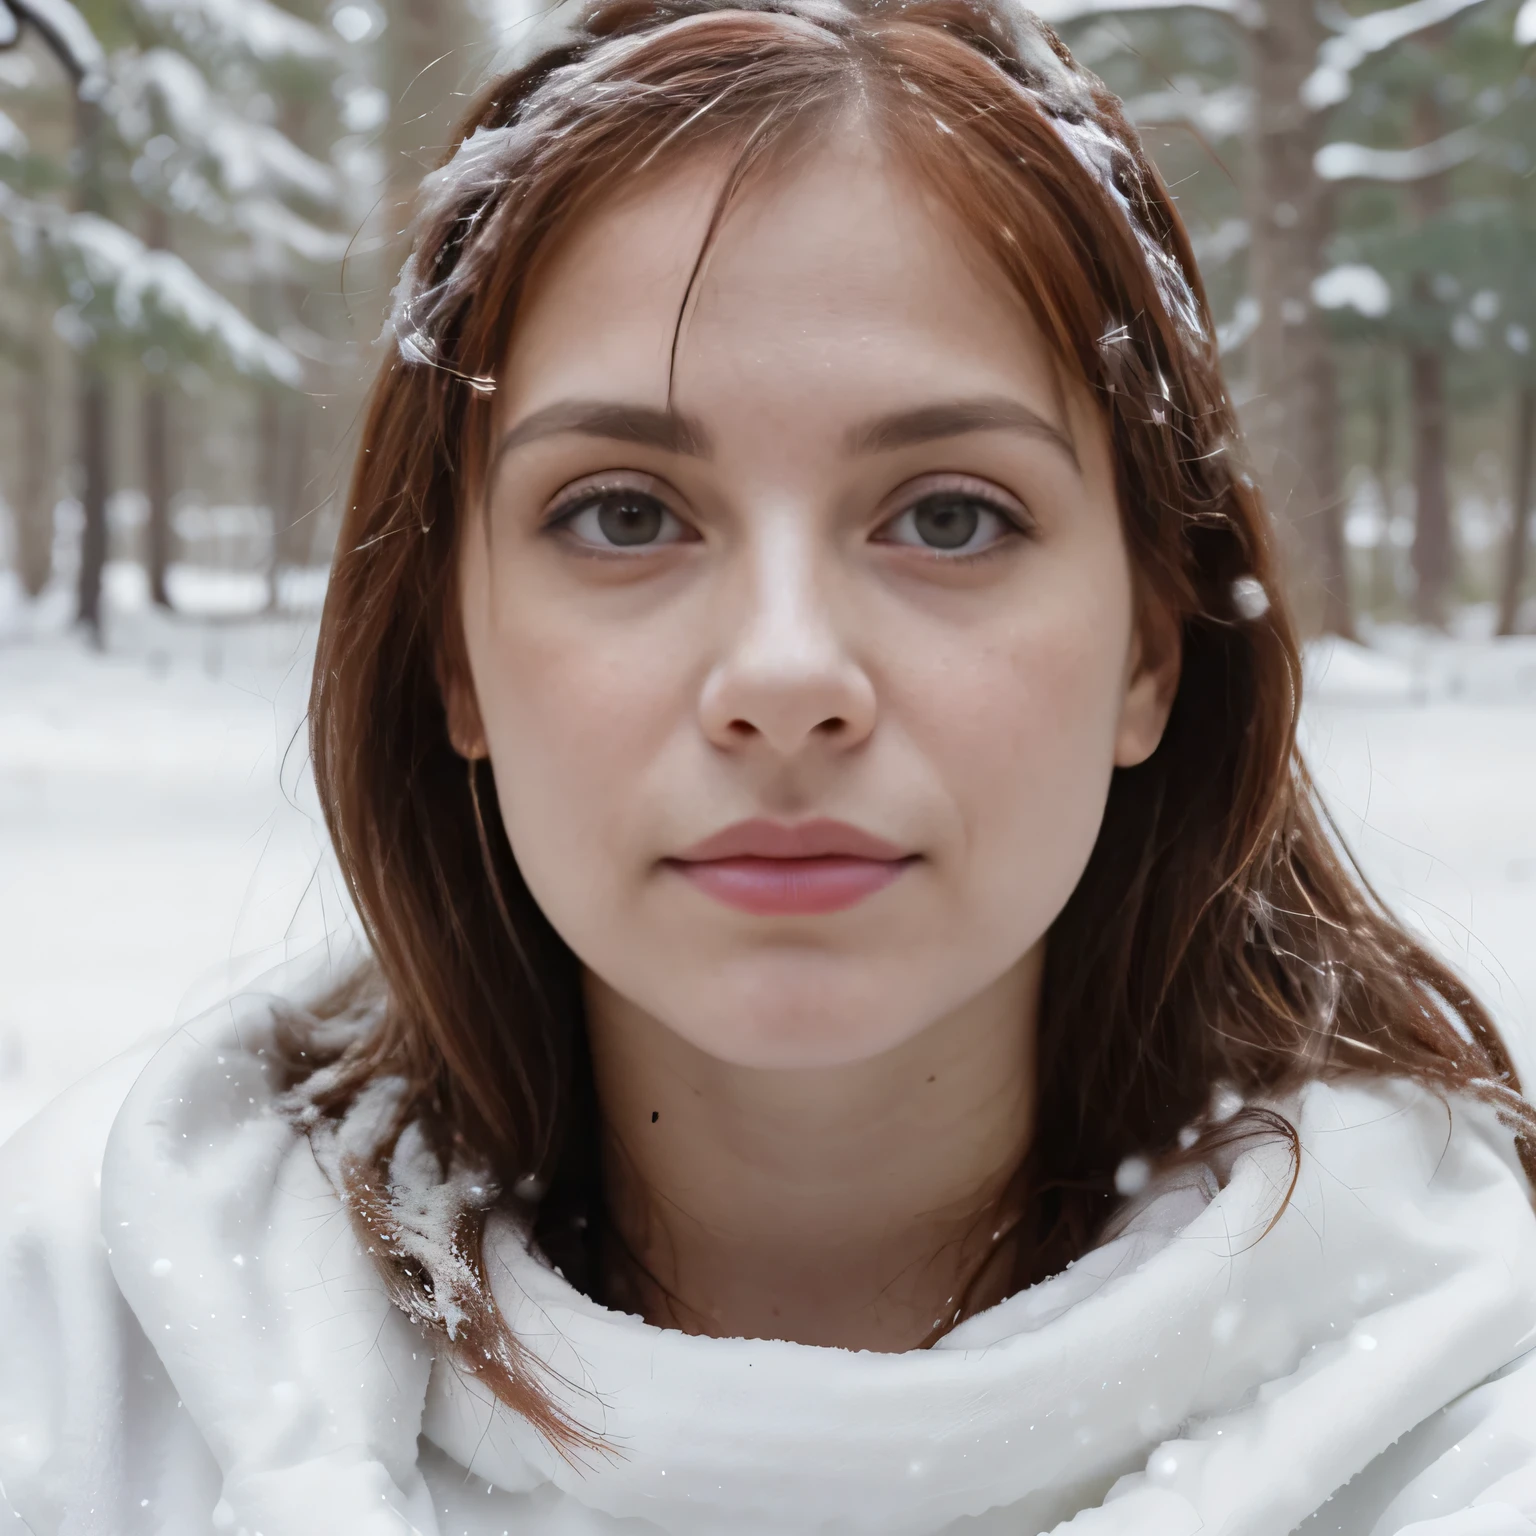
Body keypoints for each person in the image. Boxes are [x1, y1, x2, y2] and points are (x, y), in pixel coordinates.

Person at [4, 0, 1536, 1530]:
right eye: (622, 514)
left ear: (1152, 646)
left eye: (948, 516)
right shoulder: (86, 1371)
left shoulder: (1476, 1419)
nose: (788, 676)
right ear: (453, 652)